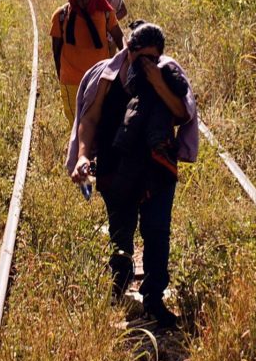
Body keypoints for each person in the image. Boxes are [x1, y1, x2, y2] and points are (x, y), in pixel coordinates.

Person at [66, 21, 198, 329]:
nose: (148, 64)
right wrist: (83, 155)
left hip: (157, 167)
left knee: (157, 232)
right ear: (129, 51)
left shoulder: (168, 74)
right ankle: (119, 284)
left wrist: (158, 83)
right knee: (120, 232)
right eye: (143, 58)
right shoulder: (107, 77)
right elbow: (90, 118)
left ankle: (154, 299)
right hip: (116, 167)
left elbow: (182, 114)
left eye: (154, 58)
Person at [51, 0, 124, 120]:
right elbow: (56, 50)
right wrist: (61, 75)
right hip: (71, 81)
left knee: (99, 125)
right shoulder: (61, 16)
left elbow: (119, 38)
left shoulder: (105, 13)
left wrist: (125, 65)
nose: (83, 3)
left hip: (100, 81)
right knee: (75, 126)